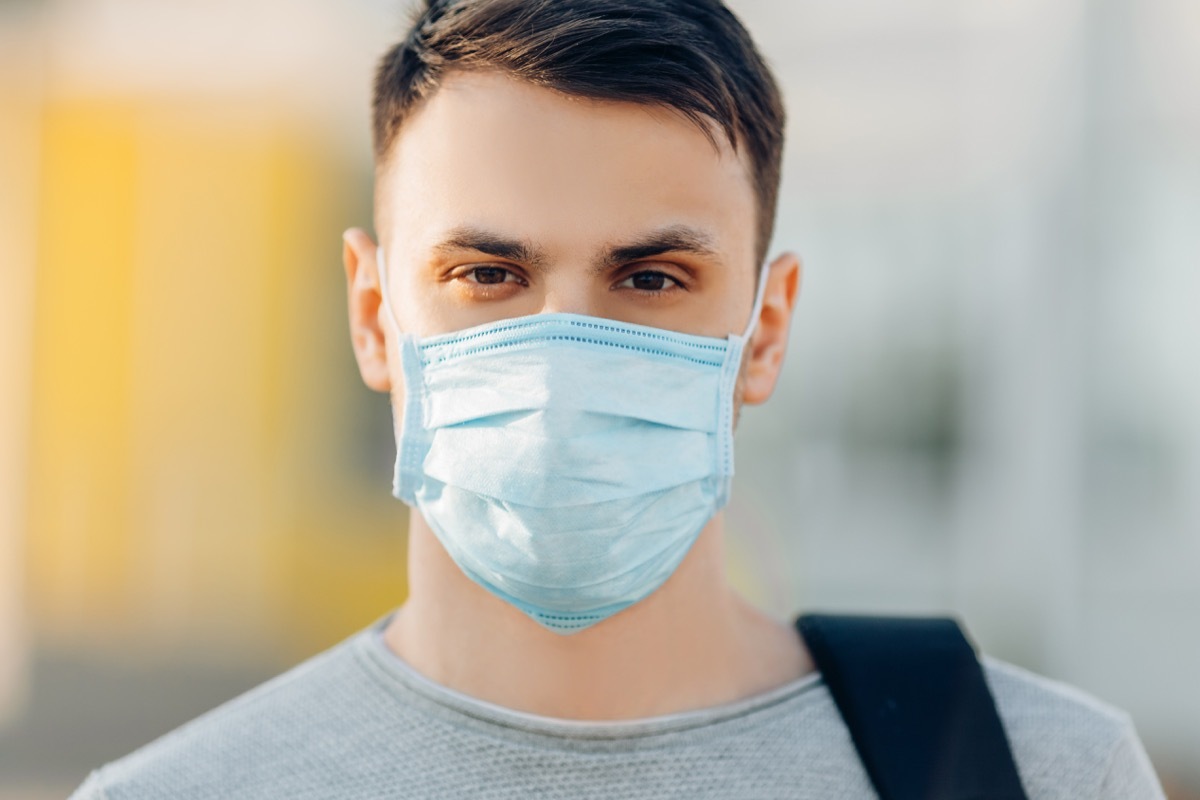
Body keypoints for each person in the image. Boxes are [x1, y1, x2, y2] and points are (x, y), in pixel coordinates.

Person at [71, 1, 1166, 797]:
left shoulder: (1044, 772)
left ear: (765, 330)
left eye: (650, 279)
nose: (558, 356)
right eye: (487, 275)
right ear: (372, 316)